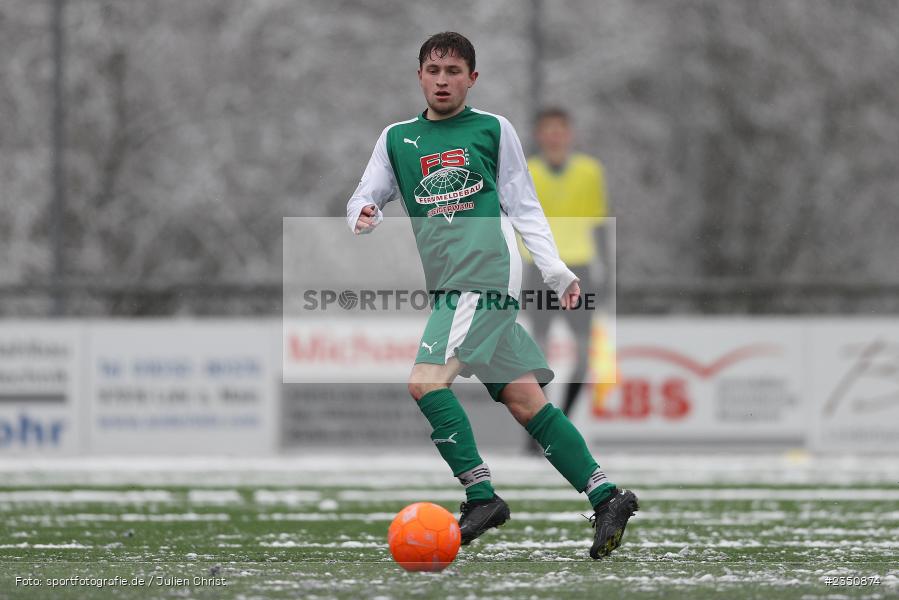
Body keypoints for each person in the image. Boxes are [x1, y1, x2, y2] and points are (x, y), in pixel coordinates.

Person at [345, 32, 637, 559]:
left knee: (424, 382)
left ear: (472, 78)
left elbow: (523, 206)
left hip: (482, 276)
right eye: (434, 70)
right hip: (451, 284)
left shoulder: (493, 129)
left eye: (454, 71)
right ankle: (607, 496)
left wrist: (554, 269)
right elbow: (366, 193)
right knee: (526, 402)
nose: (442, 80)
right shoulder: (396, 138)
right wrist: (362, 213)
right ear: (419, 75)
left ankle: (481, 496)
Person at [523, 107, 610, 417]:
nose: (554, 136)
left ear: (570, 133)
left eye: (560, 129)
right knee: (538, 356)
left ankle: (564, 420)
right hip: (540, 271)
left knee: (585, 356)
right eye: (548, 130)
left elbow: (599, 222)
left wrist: (606, 270)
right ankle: (543, 424)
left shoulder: (590, 171)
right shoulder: (527, 171)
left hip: (579, 270)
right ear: (538, 135)